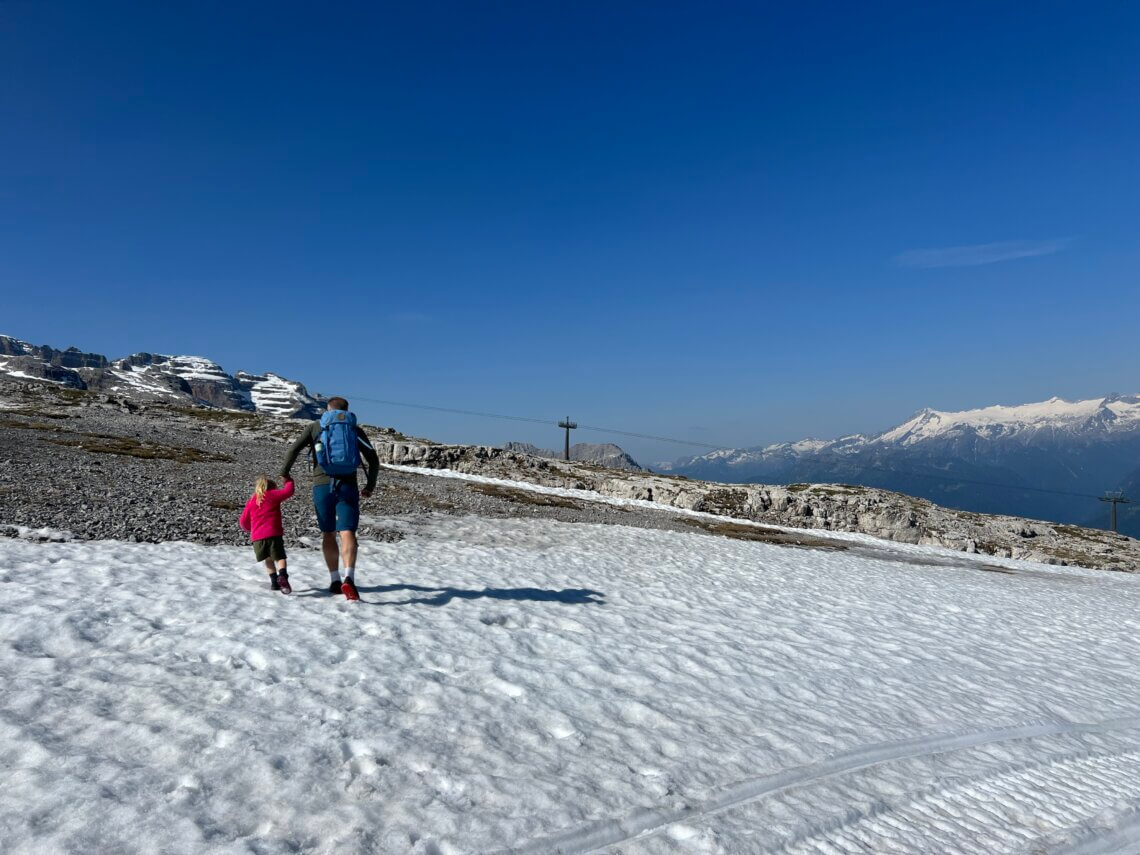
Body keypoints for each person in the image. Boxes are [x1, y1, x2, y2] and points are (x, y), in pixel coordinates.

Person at [280, 397, 380, 601]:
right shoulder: (353, 428)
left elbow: (293, 450)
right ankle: (349, 578)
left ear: (327, 410)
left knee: (328, 533)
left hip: (322, 485)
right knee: (347, 532)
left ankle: (334, 580)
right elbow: (373, 459)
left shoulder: (316, 426)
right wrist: (369, 486)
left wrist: (285, 473)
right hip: (348, 484)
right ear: (346, 410)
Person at [239, 475, 296, 593]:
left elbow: (243, 522)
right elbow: (288, 491)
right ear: (272, 487)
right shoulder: (272, 495)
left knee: (268, 560)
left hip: (257, 538)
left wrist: (252, 529)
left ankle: (274, 583)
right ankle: (283, 576)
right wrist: (288, 480)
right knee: (280, 558)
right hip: (273, 534)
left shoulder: (252, 501)